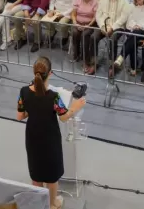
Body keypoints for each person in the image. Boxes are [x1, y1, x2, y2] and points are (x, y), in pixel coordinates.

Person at [17, 56, 87, 209]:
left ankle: (38, 204)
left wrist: (33, 109)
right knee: (51, 175)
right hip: (49, 139)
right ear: (50, 73)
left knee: (36, 173)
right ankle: (52, 203)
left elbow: (20, 115)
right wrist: (76, 106)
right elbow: (63, 117)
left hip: (32, 137)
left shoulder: (23, 92)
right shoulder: (53, 97)